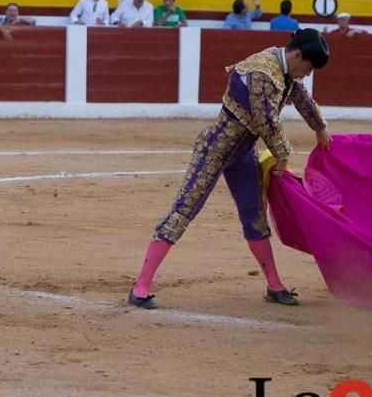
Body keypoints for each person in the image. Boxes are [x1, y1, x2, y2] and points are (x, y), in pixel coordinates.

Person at [128, 29, 331, 309]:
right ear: (297, 55)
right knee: (183, 210)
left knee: (254, 217)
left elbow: (301, 98)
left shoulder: (283, 70)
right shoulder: (264, 72)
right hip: (214, 150)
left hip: (243, 153)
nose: (307, 74)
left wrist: (320, 128)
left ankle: (274, 284)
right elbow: (266, 122)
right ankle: (140, 286)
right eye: (308, 67)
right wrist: (282, 154)